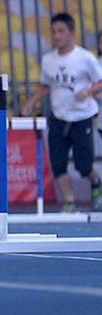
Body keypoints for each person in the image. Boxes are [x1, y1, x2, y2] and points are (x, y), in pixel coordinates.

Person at [33, 12, 102, 210]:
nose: (56, 36)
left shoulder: (85, 58)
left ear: (72, 33)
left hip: (82, 116)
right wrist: (32, 102)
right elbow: (46, 85)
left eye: (61, 31)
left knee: (83, 164)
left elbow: (100, 81)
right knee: (58, 163)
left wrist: (89, 91)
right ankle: (69, 202)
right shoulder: (48, 60)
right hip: (58, 116)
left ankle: (96, 182)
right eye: (53, 32)